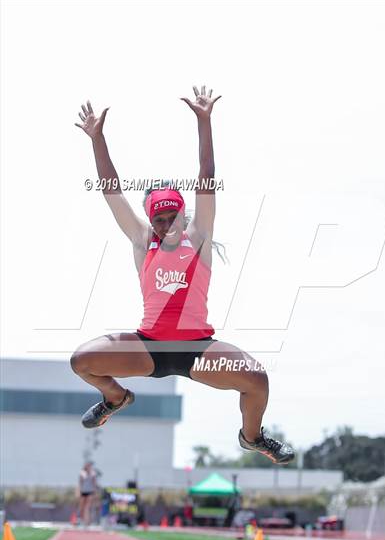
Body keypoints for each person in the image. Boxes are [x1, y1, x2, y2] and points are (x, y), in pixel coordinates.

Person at [71, 86, 295, 465]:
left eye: (169, 216)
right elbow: (112, 192)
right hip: (149, 347)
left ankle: (253, 437)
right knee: (82, 361)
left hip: (197, 350)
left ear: (181, 214)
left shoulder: (199, 238)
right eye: (157, 219)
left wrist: (204, 122)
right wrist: (98, 138)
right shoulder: (143, 243)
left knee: (257, 380)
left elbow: (206, 175)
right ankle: (115, 397)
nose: (163, 224)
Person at [78, 461, 97, 526]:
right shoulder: (82, 473)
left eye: (89, 466)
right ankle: (81, 520)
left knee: (88, 507)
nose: (88, 467)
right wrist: (78, 491)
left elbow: (94, 483)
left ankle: (88, 521)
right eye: (87, 465)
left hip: (90, 491)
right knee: (82, 507)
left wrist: (95, 492)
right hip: (83, 491)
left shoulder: (93, 473)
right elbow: (80, 483)